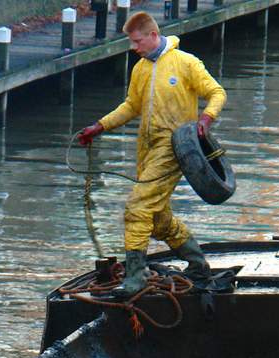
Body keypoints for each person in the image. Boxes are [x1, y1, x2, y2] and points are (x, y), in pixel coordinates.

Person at [75, 11, 226, 294]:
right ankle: (197, 265)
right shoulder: (141, 69)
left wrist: (206, 119)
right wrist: (100, 126)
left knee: (137, 208)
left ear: (153, 35)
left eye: (136, 41)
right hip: (146, 151)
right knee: (157, 218)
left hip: (174, 149)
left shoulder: (186, 63)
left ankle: (135, 276)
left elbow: (217, 92)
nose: (133, 47)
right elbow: (132, 105)